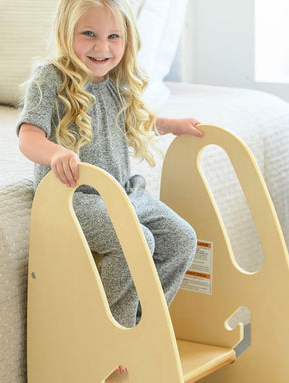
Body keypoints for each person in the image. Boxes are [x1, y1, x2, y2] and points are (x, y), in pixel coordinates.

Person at [18, 0, 202, 329]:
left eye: (113, 36)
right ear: (66, 31)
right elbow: (29, 136)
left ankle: (146, 327)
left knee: (181, 238)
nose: (102, 47)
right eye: (89, 34)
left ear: (126, 39)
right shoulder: (49, 79)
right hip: (76, 200)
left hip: (123, 193)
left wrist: (173, 125)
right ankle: (114, 331)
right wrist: (55, 153)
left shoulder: (117, 79)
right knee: (137, 241)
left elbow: (136, 121)